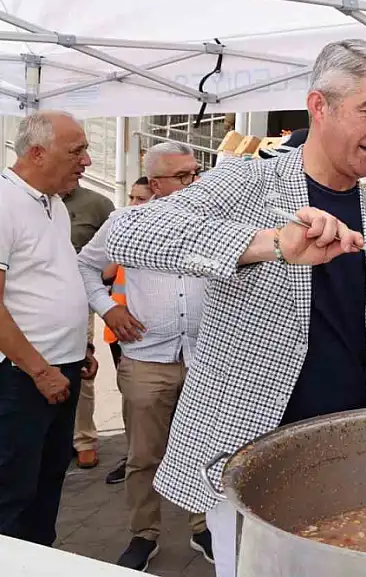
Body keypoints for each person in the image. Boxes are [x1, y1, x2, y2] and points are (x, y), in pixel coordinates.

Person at [105, 39, 366, 577]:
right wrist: (270, 243)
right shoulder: (246, 183)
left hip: (354, 456)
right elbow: (130, 233)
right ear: (319, 106)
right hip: (250, 458)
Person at [78, 143, 214, 570]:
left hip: (205, 358)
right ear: (156, 185)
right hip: (146, 360)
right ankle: (144, 534)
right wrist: (109, 307)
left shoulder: (215, 222)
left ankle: (203, 528)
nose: (197, 182)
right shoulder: (125, 223)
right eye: (186, 176)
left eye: (197, 172)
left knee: (204, 450)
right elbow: (84, 266)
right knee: (143, 455)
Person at [0, 111, 98, 546]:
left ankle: (38, 560)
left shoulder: (53, 204)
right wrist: (39, 370)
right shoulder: (4, 203)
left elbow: (51, 279)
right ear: (36, 153)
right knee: (12, 491)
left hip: (60, 366)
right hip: (21, 376)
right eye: (76, 150)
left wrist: (82, 346)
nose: (87, 161)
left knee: (47, 480)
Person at [102, 176, 152, 488]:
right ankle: (133, 455)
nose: (133, 205)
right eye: (132, 198)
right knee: (132, 403)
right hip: (122, 333)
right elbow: (105, 273)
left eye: (141, 199)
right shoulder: (123, 229)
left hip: (153, 336)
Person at [61, 180, 114, 470]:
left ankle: (84, 440)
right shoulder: (29, 204)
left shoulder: (97, 204)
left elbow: (114, 251)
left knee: (81, 368)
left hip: (78, 300)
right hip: (31, 304)